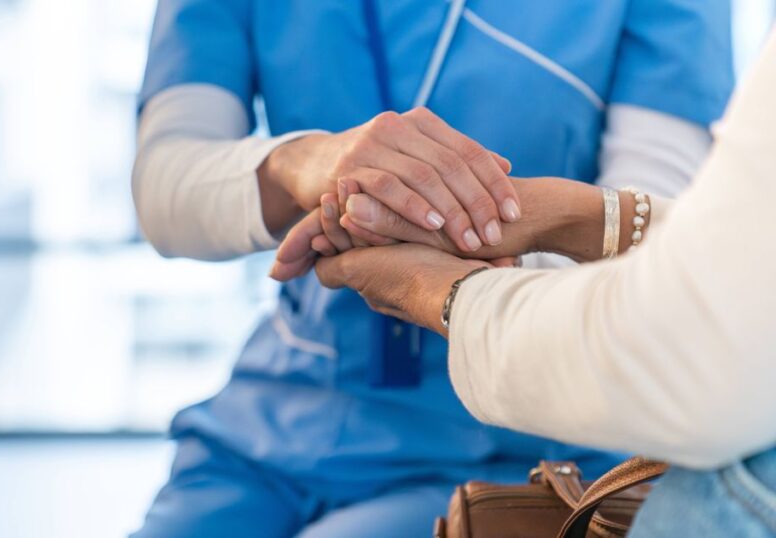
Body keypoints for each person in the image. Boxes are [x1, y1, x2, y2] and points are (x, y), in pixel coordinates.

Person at [131, 1, 733, 536]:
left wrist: (425, 228)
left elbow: (650, 238)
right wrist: (304, 163)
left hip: (517, 434)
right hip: (280, 416)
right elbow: (165, 184)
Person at [307, 29, 776, 538]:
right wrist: (574, 216)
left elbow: (703, 357)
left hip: (554, 429)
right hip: (291, 399)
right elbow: (749, 262)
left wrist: (445, 291)